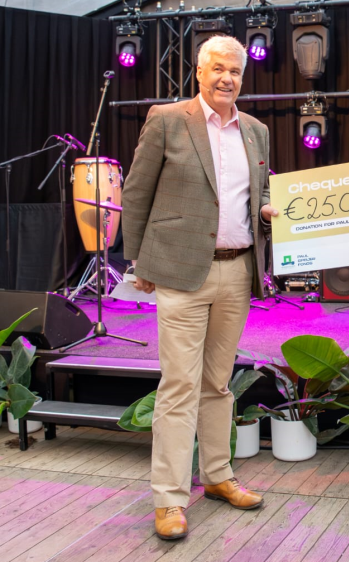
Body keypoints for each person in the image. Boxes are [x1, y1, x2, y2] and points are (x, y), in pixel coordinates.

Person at [122, 35, 277, 540]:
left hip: (237, 272)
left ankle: (218, 476)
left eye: (235, 70)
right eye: (217, 68)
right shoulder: (168, 119)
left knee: (217, 384)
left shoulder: (256, 130)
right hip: (181, 272)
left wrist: (271, 209)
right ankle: (168, 499)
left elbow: (262, 194)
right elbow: (137, 191)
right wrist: (137, 260)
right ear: (198, 71)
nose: (227, 77)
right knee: (179, 387)